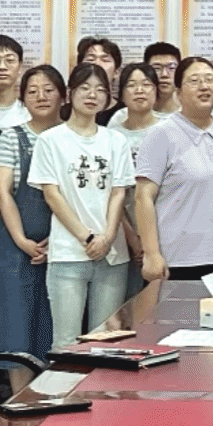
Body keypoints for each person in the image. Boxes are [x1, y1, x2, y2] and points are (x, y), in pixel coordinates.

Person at [33, 64, 134, 345]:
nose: (92, 95)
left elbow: (119, 193)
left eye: (100, 90)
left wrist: (107, 237)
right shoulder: (50, 140)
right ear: (70, 94)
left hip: (112, 255)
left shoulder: (116, 140)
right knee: (66, 341)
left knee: (105, 340)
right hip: (68, 253)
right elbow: (52, 195)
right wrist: (87, 237)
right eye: (85, 88)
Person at [0, 65, 63, 381]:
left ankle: (53, 402)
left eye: (48, 90)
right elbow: (2, 192)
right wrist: (21, 240)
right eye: (32, 91)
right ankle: (20, 403)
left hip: (64, 244)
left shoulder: (70, 136)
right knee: (15, 329)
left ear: (63, 96)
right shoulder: (11, 137)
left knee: (55, 327)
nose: (41, 96)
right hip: (16, 246)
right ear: (22, 97)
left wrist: (57, 241)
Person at [136, 57, 213, 283]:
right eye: (194, 81)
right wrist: (151, 254)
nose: (204, 87)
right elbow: (143, 196)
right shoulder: (161, 134)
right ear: (178, 93)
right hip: (176, 260)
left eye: (210, 80)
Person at [108, 63, 164, 296]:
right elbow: (111, 191)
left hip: (166, 230)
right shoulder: (112, 134)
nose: (139, 90)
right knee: (130, 305)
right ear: (121, 94)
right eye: (131, 85)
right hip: (123, 232)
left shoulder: (169, 129)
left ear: (156, 91)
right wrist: (131, 236)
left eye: (146, 84)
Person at [75, 37, 122, 121]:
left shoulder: (124, 113)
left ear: (116, 72)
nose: (97, 64)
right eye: (91, 59)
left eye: (105, 60)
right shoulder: (66, 112)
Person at [142, 42, 183, 116]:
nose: (164, 74)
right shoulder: (132, 114)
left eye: (171, 68)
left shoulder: (189, 115)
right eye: (157, 68)